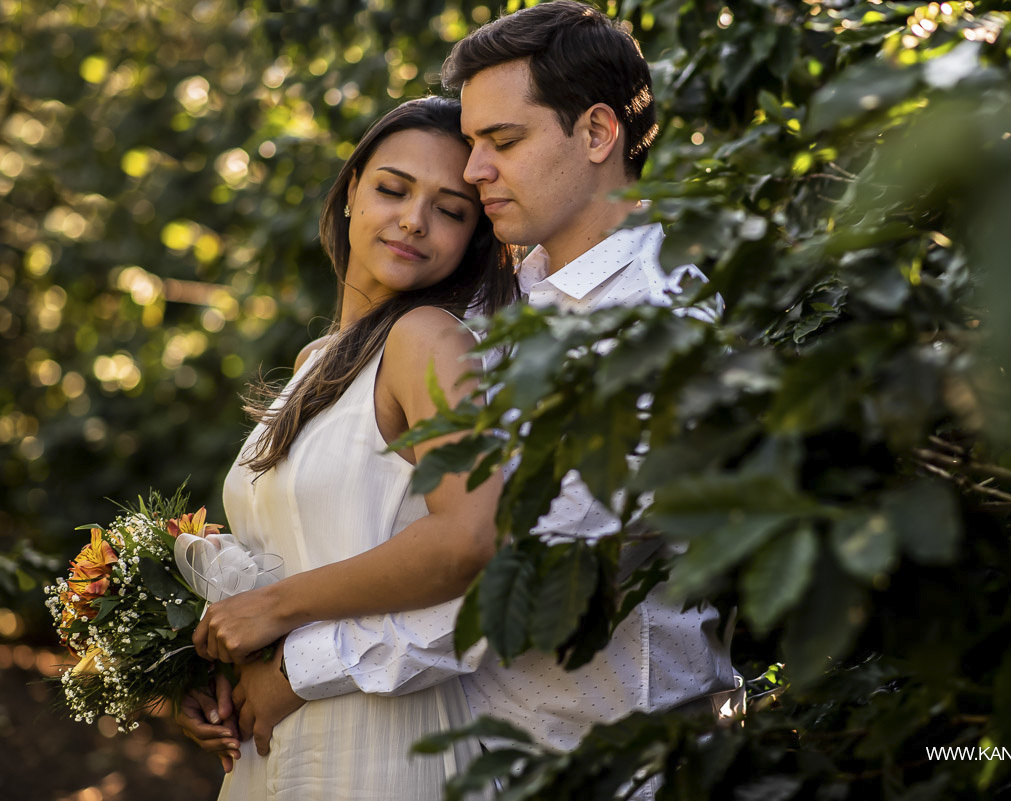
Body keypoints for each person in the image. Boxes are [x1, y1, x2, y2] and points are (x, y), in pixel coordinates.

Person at [191, 2, 738, 796]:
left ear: (595, 134)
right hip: (470, 755)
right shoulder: (515, 305)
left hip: (610, 758)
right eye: (474, 143)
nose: (475, 171)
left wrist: (289, 671)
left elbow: (523, 575)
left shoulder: (654, 325)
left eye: (502, 142)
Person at [175, 95, 519, 800]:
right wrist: (210, 674)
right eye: (393, 189)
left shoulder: (430, 338)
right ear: (353, 188)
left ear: (473, 239)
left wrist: (278, 612)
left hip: (385, 746)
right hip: (271, 746)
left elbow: (470, 540)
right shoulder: (316, 359)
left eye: (451, 210)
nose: (414, 220)